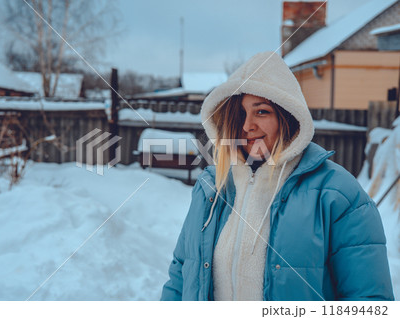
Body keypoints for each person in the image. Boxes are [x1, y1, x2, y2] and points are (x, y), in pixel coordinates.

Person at [160, 51, 394, 301]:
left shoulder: (337, 194)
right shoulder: (211, 187)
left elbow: (369, 300)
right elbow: (180, 277)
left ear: (288, 117)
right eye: (240, 114)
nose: (247, 126)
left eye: (261, 112)